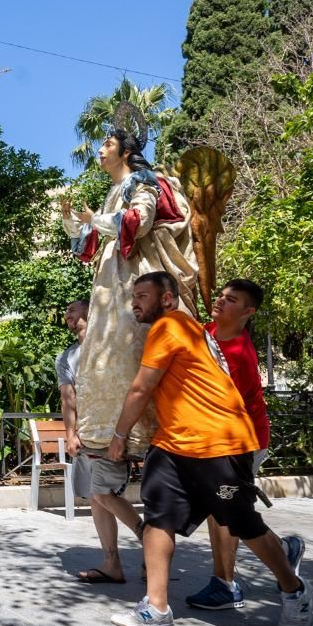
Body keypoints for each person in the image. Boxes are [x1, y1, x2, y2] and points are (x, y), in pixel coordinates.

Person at [105, 272, 313, 626]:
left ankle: (294, 589)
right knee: (158, 518)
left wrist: (119, 435)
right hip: (172, 444)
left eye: (142, 295)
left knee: (242, 523)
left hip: (220, 445)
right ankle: (156, 608)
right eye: (133, 296)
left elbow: (142, 388)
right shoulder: (191, 327)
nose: (135, 302)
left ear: (167, 299)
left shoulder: (170, 325)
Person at [58, 116, 198, 465]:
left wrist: (97, 221)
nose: (99, 149)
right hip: (108, 279)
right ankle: (106, 431)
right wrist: (74, 222)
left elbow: (140, 221)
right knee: (106, 350)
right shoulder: (110, 192)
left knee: (134, 345)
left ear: (126, 151)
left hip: (134, 274)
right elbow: (89, 244)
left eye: (107, 144)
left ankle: (146, 431)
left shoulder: (144, 180)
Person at [185, 279, 271, 611]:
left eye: (231, 300)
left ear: (248, 312)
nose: (220, 301)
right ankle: (279, 553)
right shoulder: (206, 330)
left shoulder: (239, 355)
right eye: (221, 296)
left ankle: (225, 584)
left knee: (226, 511)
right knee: (223, 509)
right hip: (216, 437)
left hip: (242, 439)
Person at [56, 299, 142, 584]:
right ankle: (111, 562)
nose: (68, 313)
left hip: (114, 433)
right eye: (66, 311)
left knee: (104, 495)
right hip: (88, 436)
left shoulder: (112, 347)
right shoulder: (66, 357)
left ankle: (151, 540)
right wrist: (70, 433)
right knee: (97, 498)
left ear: (91, 312)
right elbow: (68, 399)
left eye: (74, 308)